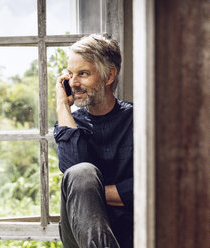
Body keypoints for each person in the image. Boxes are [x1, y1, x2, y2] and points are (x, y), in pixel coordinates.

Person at [54, 34, 133, 248]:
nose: (74, 82)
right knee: (81, 173)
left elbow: (148, 188)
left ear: (109, 76)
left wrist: (92, 195)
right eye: (70, 74)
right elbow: (75, 175)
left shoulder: (139, 120)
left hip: (131, 233)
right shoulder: (69, 123)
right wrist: (62, 107)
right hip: (78, 238)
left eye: (83, 74)